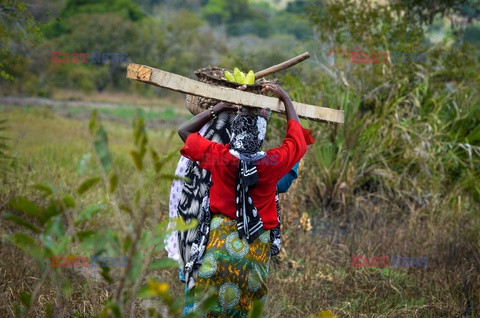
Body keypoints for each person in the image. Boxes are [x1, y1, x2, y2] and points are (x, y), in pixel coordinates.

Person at [176, 83, 315, 316]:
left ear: (236, 128)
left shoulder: (220, 157)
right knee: (249, 307)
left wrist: (217, 109)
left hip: (220, 242)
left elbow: (184, 132)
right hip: (255, 247)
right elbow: (297, 140)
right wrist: (286, 98)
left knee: (208, 303)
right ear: (261, 133)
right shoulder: (272, 162)